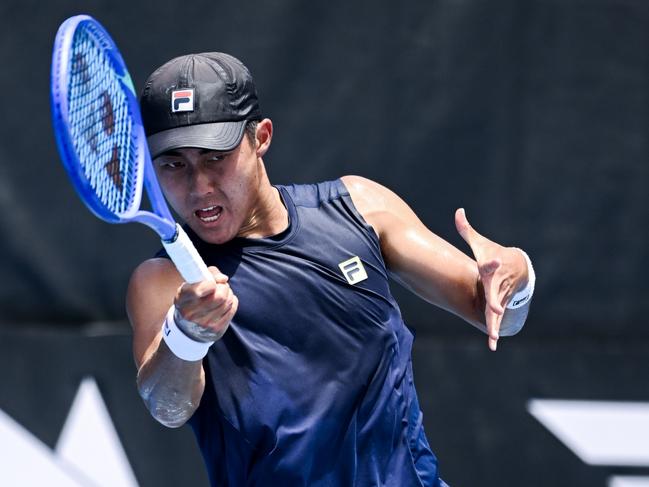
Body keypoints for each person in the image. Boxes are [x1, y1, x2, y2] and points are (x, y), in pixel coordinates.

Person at [126, 52, 534, 487]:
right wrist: (187, 334)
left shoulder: (360, 208)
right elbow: (167, 405)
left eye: (214, 158)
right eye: (174, 164)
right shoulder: (163, 282)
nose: (198, 186)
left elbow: (496, 313)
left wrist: (517, 274)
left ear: (260, 138)